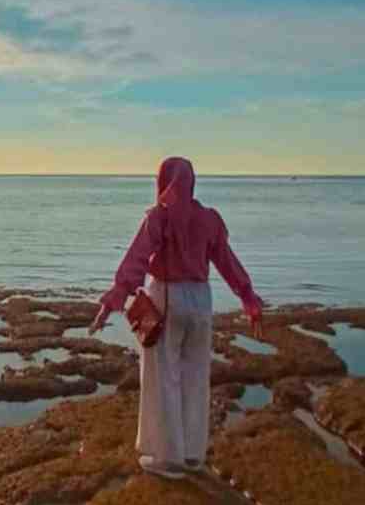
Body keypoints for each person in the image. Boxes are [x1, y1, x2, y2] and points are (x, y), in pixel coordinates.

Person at [89, 157, 264, 480]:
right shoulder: (209, 219)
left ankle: (167, 460)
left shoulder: (160, 217)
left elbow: (137, 260)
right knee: (196, 377)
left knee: (163, 377)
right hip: (201, 299)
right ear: (192, 182)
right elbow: (227, 262)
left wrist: (113, 299)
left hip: (167, 298)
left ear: (163, 181)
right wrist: (248, 299)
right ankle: (193, 455)